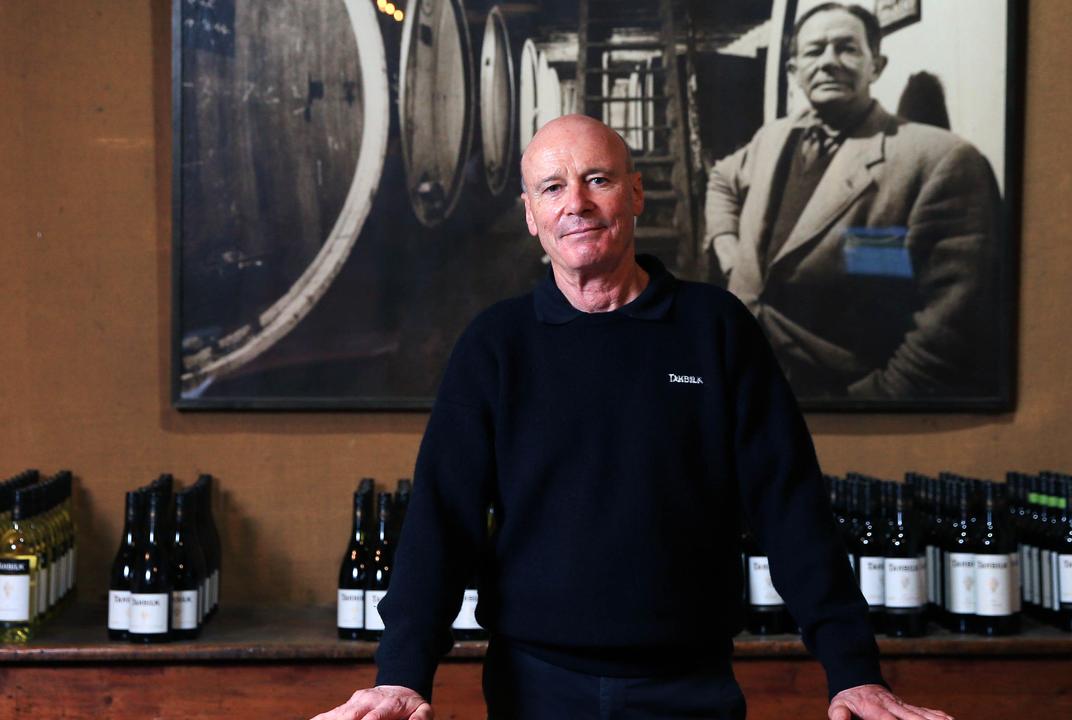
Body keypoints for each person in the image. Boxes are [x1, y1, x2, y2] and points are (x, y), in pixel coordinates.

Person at [311, 115, 952, 720]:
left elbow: (790, 507)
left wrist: (853, 669)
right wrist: (401, 673)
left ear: (635, 192)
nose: (577, 204)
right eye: (552, 188)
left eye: (598, 179)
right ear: (531, 216)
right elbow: (440, 522)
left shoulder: (716, 328)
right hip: (532, 688)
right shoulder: (496, 344)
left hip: (690, 686)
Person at [705, 3, 1003, 401]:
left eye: (846, 48)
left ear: (876, 65)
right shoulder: (773, 138)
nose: (828, 62)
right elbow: (722, 178)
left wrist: (867, 405)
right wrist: (729, 249)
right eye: (814, 51)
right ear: (794, 71)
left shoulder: (940, 160)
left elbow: (949, 328)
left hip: (836, 393)